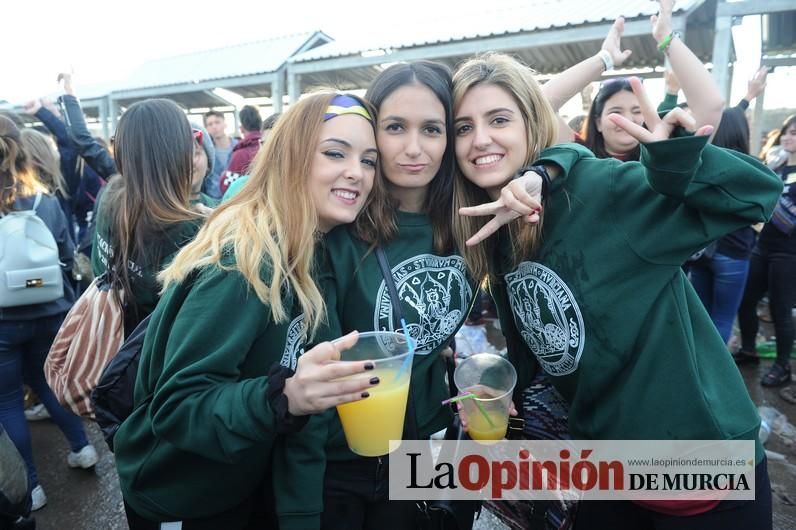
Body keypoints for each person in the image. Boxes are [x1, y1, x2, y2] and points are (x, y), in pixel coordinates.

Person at [450, 49, 780, 528]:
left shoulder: (602, 190)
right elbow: (537, 342)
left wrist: (678, 167)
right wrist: (508, 392)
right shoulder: (497, 227)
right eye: (463, 127)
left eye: (499, 119)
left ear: (531, 125)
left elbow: (757, 195)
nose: (480, 140)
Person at [113, 92, 381, 529]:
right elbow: (177, 407)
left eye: (369, 161)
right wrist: (284, 396)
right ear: (291, 157)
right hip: (181, 495)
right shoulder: (244, 260)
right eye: (335, 153)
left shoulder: (316, 251)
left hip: (244, 480)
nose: (357, 172)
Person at [321, 61, 473, 530]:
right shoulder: (339, 228)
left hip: (421, 441)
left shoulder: (472, 219)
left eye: (431, 129)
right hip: (339, 455)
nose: (413, 148)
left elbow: (528, 117)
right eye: (394, 128)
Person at [0, 116, 98, 513]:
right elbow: (66, 254)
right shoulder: (47, 200)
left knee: (7, 402)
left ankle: (33, 488)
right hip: (50, 310)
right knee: (49, 384)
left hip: (3, 320)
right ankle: (83, 448)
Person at [90, 99, 205, 333]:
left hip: (109, 335)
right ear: (179, 150)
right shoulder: (190, 228)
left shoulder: (111, 195)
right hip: (154, 355)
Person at [575, 0, 723, 161]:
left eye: (637, 111)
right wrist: (604, 59)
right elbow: (546, 104)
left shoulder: (666, 155)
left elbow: (711, 105)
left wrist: (666, 38)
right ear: (598, 122)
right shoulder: (575, 156)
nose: (629, 120)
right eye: (616, 112)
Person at [685, 67, 769, 344]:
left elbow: (727, 118)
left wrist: (747, 97)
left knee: (701, 320)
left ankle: (695, 370)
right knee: (722, 319)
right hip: (733, 253)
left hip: (700, 251)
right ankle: (712, 378)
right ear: (741, 133)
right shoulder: (751, 170)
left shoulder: (702, 164)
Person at [736, 114, 796, 387]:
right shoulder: (779, 166)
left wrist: (763, 206)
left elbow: (779, 216)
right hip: (764, 246)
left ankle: (783, 367)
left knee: (780, 310)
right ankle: (749, 350)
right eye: (786, 132)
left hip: (788, 252)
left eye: (793, 133)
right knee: (746, 301)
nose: (787, 137)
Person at [219, 105, 262, 195]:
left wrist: (224, 176)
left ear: (242, 129)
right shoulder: (267, 147)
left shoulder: (240, 154)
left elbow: (227, 188)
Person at [202, 110, 237, 199]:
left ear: (225, 124)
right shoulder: (205, 152)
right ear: (206, 129)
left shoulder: (238, 147)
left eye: (217, 122)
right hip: (213, 201)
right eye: (210, 124)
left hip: (237, 199)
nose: (214, 126)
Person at [188, 123, 218, 209]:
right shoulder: (154, 214)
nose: (189, 161)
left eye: (195, 153)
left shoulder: (219, 208)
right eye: (181, 154)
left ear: (208, 163)